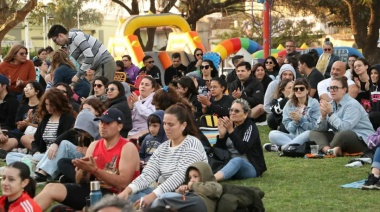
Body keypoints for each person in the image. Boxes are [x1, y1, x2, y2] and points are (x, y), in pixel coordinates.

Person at [34, 108, 140, 211]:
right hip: (95, 191)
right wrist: (83, 170)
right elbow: (81, 181)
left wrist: (95, 170)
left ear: (119, 126)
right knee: (50, 188)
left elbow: (123, 184)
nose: (103, 126)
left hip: (119, 196)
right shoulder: (94, 145)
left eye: (108, 123)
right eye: (101, 122)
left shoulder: (127, 147)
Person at [118, 103, 208, 207]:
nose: (166, 128)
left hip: (190, 194)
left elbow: (179, 177)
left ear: (183, 125)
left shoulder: (192, 144)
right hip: (165, 192)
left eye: (171, 124)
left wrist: (153, 195)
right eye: (164, 124)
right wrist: (128, 190)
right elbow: (148, 174)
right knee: (132, 196)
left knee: (159, 201)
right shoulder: (163, 147)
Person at [5, 88, 76, 166]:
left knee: (37, 159)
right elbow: (36, 140)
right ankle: (32, 164)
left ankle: (31, 165)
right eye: (46, 104)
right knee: (10, 156)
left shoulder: (68, 119)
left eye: (51, 105)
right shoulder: (46, 119)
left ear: (58, 104)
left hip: (55, 155)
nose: (48, 107)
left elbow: (66, 139)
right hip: (42, 154)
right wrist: (36, 151)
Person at [310, 76, 374, 156]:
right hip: (338, 136)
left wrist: (330, 113)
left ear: (344, 90)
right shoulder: (331, 104)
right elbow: (320, 129)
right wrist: (323, 117)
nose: (332, 91)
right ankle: (329, 151)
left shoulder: (352, 105)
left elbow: (344, 128)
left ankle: (326, 149)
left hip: (360, 139)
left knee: (342, 135)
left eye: (335, 88)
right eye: (330, 88)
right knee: (314, 132)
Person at [214, 99, 266, 181]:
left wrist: (231, 131)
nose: (232, 113)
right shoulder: (230, 125)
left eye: (237, 111)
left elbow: (242, 149)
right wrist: (221, 136)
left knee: (238, 160)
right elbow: (219, 151)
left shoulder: (250, 127)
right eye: (231, 110)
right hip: (229, 162)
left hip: (249, 166)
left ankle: (212, 179)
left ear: (245, 114)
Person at [265, 78, 320, 152]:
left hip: (308, 136)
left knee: (308, 133)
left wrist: (301, 119)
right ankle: (297, 147)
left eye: (301, 88)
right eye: (296, 89)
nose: (298, 91)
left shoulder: (314, 103)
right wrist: (295, 122)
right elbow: (289, 128)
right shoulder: (290, 104)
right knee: (272, 134)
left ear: (307, 90)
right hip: (293, 136)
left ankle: (281, 148)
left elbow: (315, 127)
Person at [47, 24, 116, 83]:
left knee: (102, 91)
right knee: (95, 92)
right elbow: (81, 63)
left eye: (55, 40)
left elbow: (89, 57)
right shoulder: (69, 45)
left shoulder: (77, 37)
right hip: (98, 67)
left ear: (60, 36)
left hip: (104, 63)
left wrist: (78, 75)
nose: (55, 43)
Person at [153, 162, 222, 212]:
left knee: (162, 202)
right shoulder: (194, 188)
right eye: (190, 177)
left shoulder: (214, 184)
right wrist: (180, 192)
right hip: (194, 202)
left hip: (201, 203)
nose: (192, 180)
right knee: (163, 201)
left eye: (195, 176)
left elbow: (212, 191)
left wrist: (193, 185)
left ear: (205, 175)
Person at [11, 82, 45, 152]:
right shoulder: (22, 105)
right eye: (25, 88)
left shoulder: (42, 106)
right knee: (6, 133)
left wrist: (28, 123)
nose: (26, 90)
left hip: (36, 134)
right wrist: (24, 123)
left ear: (37, 91)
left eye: (30, 88)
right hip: (22, 133)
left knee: (29, 129)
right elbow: (18, 127)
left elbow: (43, 126)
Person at [369, 64, 380, 130]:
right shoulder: (372, 88)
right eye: (371, 73)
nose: (372, 76)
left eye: (375, 73)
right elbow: (372, 105)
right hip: (374, 116)